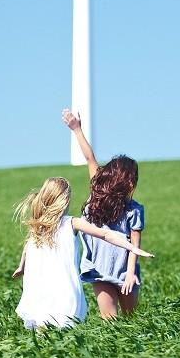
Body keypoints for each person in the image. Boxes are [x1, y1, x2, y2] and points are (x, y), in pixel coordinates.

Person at [11, 176, 153, 330]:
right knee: (65, 322)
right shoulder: (71, 222)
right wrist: (132, 247)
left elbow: (28, 245)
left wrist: (22, 265)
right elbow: (105, 234)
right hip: (63, 285)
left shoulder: (39, 225)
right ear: (65, 199)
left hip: (40, 285)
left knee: (42, 323)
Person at [63, 109, 145, 320]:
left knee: (131, 318)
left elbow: (134, 245)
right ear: (125, 180)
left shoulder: (134, 209)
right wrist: (76, 129)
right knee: (110, 320)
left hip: (124, 270)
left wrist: (130, 273)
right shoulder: (96, 193)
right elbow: (89, 157)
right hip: (98, 269)